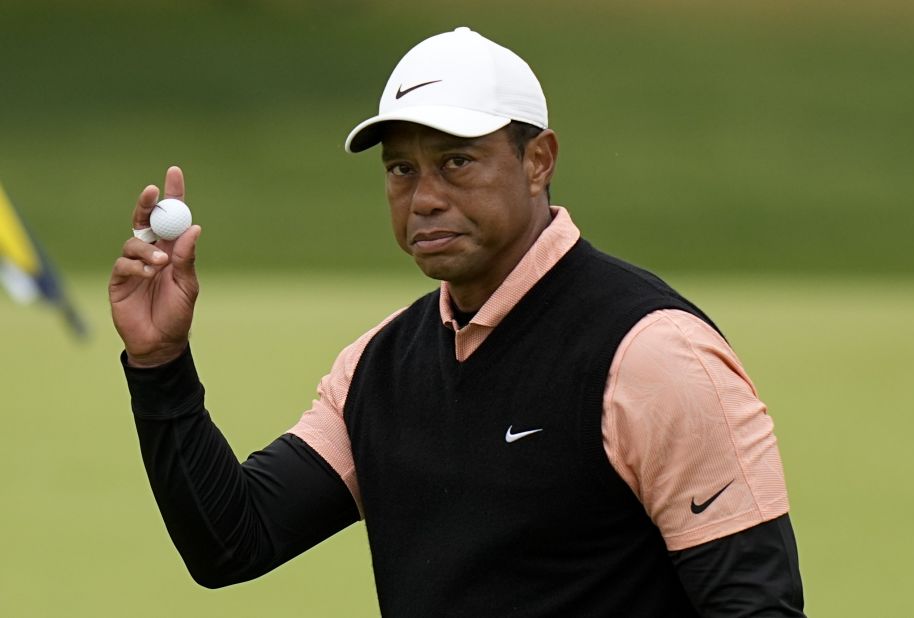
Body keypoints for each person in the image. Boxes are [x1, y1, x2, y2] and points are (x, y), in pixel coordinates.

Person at [110, 27, 805, 617]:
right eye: (402, 170)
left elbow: (755, 604)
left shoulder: (650, 352)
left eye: (457, 162)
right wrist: (159, 364)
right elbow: (234, 540)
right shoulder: (379, 366)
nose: (424, 198)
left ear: (538, 161)